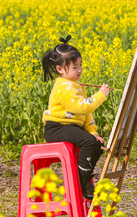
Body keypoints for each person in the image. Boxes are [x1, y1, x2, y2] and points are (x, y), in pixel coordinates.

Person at [41, 35, 111, 200]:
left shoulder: (76, 86)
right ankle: (82, 180)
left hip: (71, 128)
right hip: (57, 128)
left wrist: (92, 131)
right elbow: (81, 106)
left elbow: (86, 115)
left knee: (97, 143)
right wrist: (100, 95)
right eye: (74, 67)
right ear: (60, 69)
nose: (79, 70)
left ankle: (83, 177)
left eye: (80, 65)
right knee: (89, 143)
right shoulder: (64, 87)